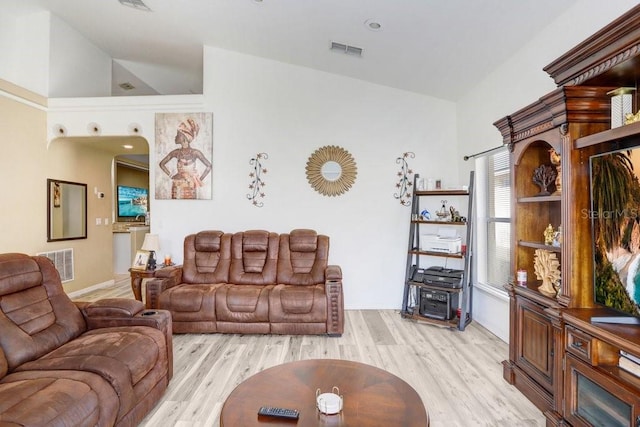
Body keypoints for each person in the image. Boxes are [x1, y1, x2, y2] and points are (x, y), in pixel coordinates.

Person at [159, 118, 212, 199]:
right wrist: (171, 175)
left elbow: (209, 166)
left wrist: (199, 180)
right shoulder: (176, 152)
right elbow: (161, 164)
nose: (176, 136)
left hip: (190, 186)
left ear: (184, 137)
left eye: (178, 135)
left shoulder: (195, 152)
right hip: (177, 185)